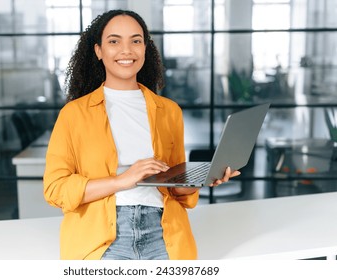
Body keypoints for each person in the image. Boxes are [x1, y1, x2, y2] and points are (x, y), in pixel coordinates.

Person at [43, 9, 240, 260]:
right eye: (114, 41)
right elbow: (55, 189)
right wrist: (123, 180)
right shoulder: (74, 114)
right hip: (103, 237)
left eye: (135, 41)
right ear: (98, 51)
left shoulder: (169, 111)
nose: (127, 50)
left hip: (163, 231)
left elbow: (174, 188)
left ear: (145, 48)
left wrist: (201, 180)